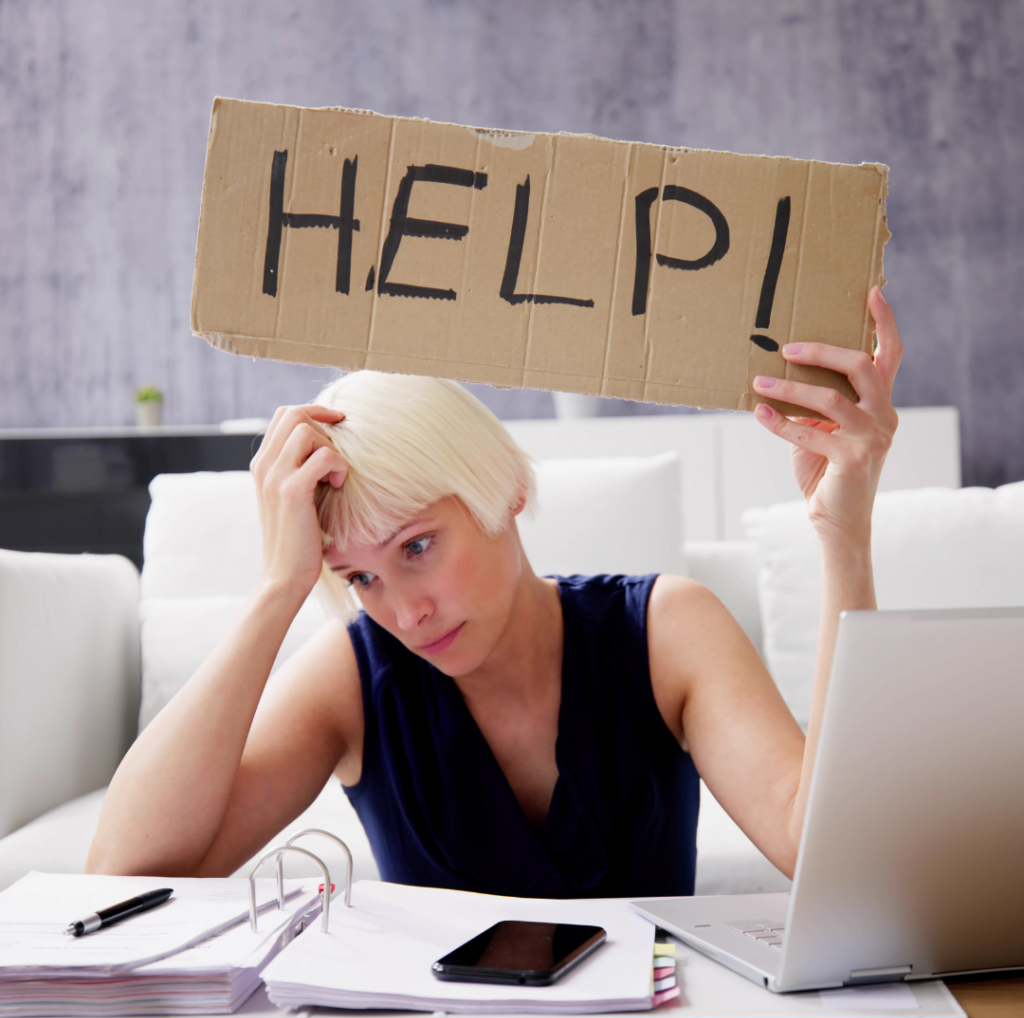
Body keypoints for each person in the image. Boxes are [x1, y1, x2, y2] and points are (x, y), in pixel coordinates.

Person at [87, 287, 902, 898]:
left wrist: (842, 534)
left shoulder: (665, 629)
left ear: (506, 488)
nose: (405, 612)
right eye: (359, 576)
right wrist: (277, 589)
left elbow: (831, 854)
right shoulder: (352, 676)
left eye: (417, 546)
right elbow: (121, 873)